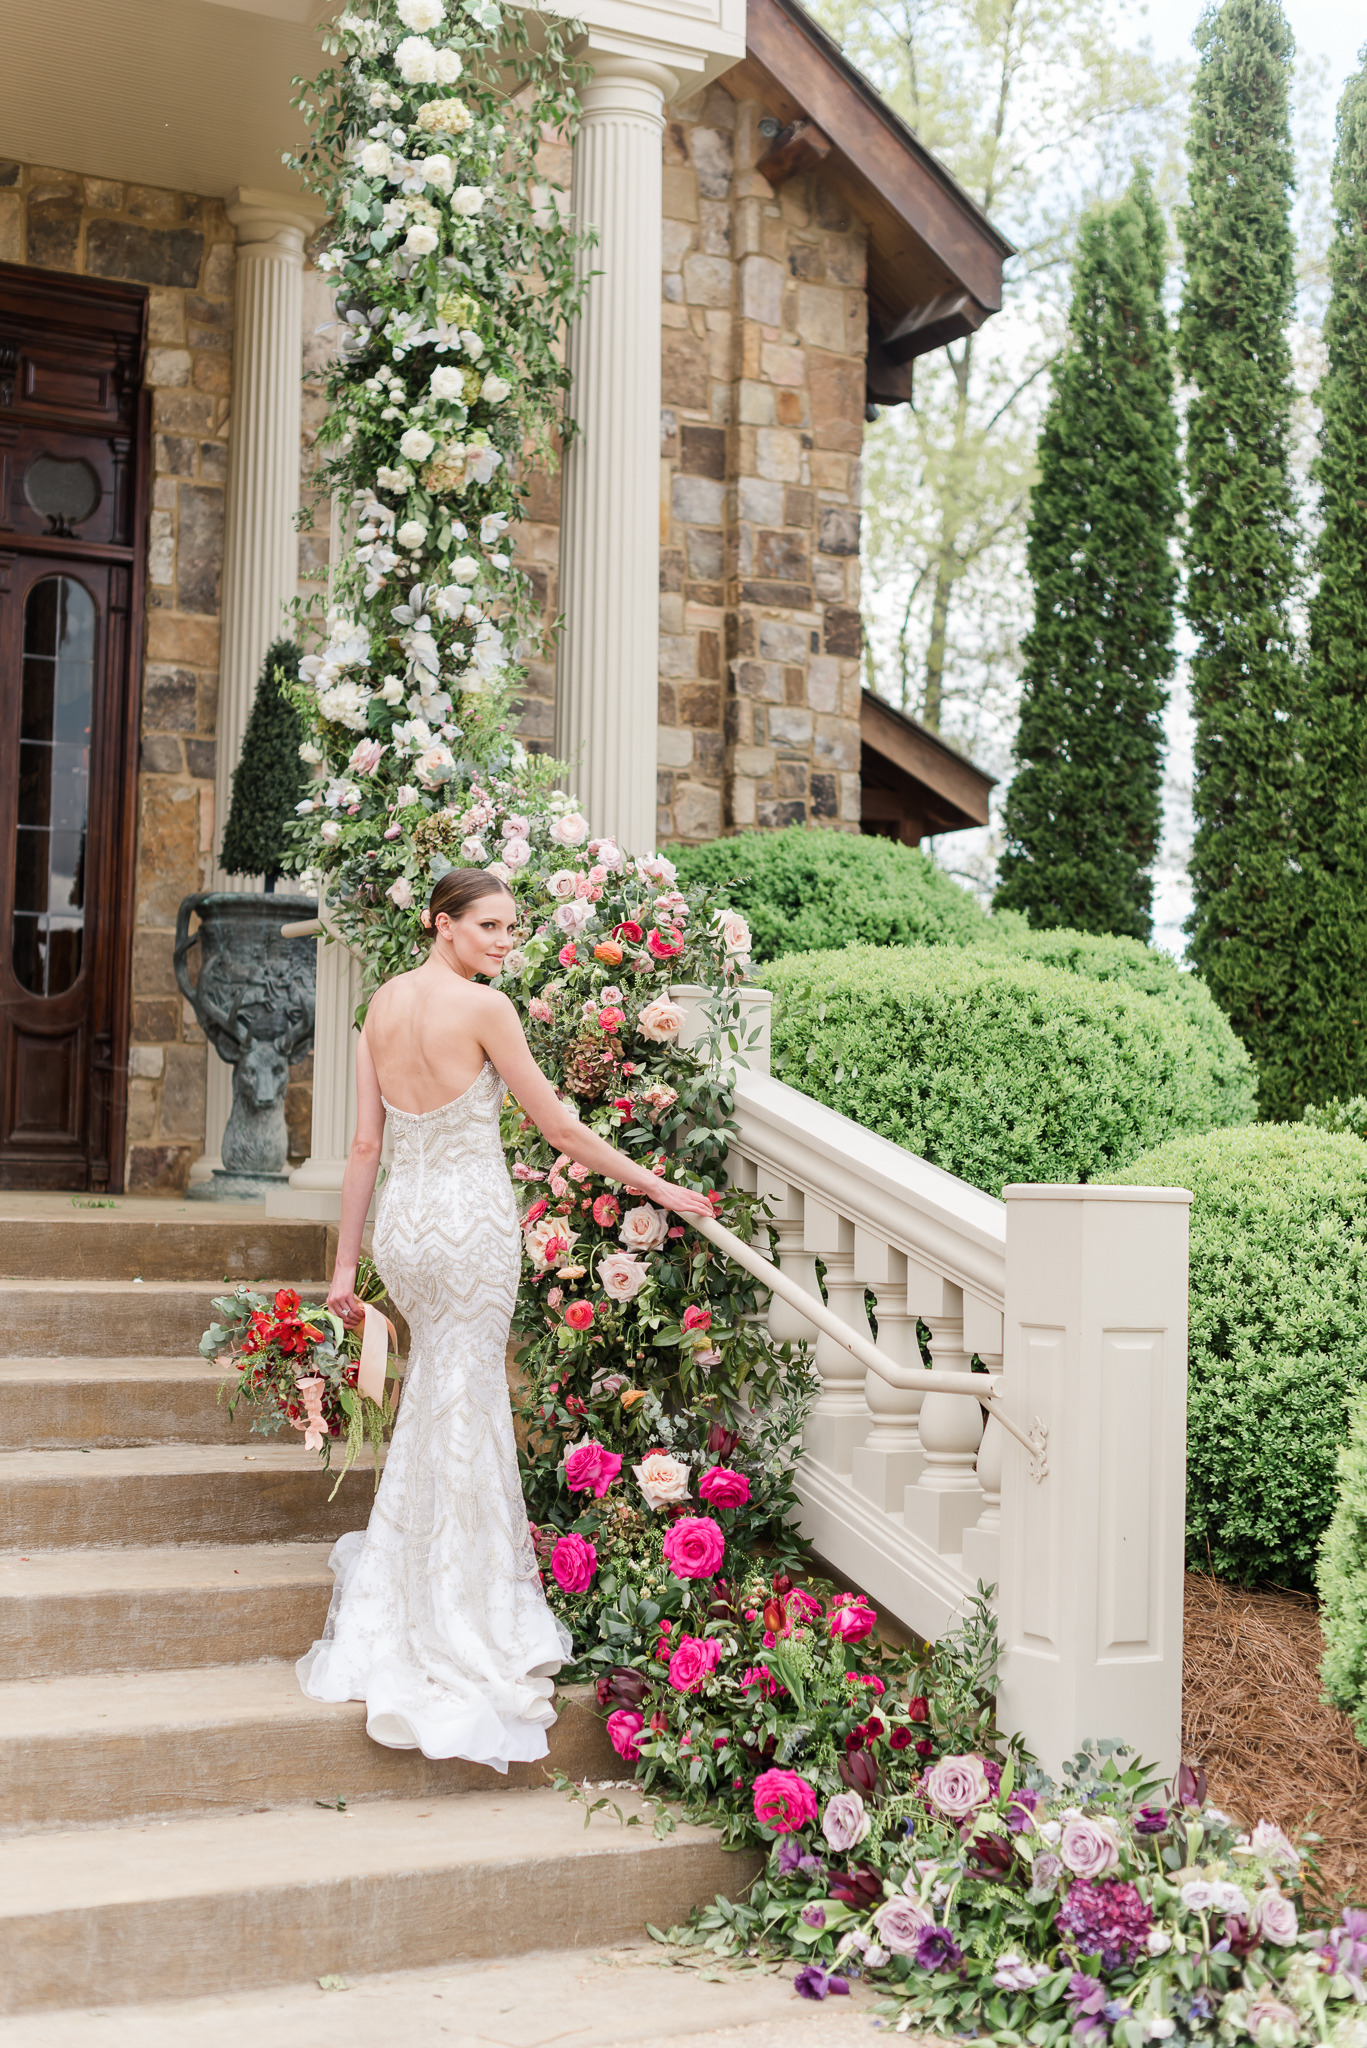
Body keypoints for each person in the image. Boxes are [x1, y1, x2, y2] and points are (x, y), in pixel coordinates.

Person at [296, 867, 713, 1768]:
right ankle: (460, 1607)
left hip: (407, 1229)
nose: (501, 943)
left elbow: (365, 1143)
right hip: (471, 1229)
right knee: (466, 1394)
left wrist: (343, 1266)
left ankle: (415, 1586)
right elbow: (559, 1130)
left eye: (510, 929)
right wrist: (656, 1186)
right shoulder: (487, 1010)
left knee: (436, 1398)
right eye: (487, 926)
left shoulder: (380, 1005)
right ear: (439, 923)